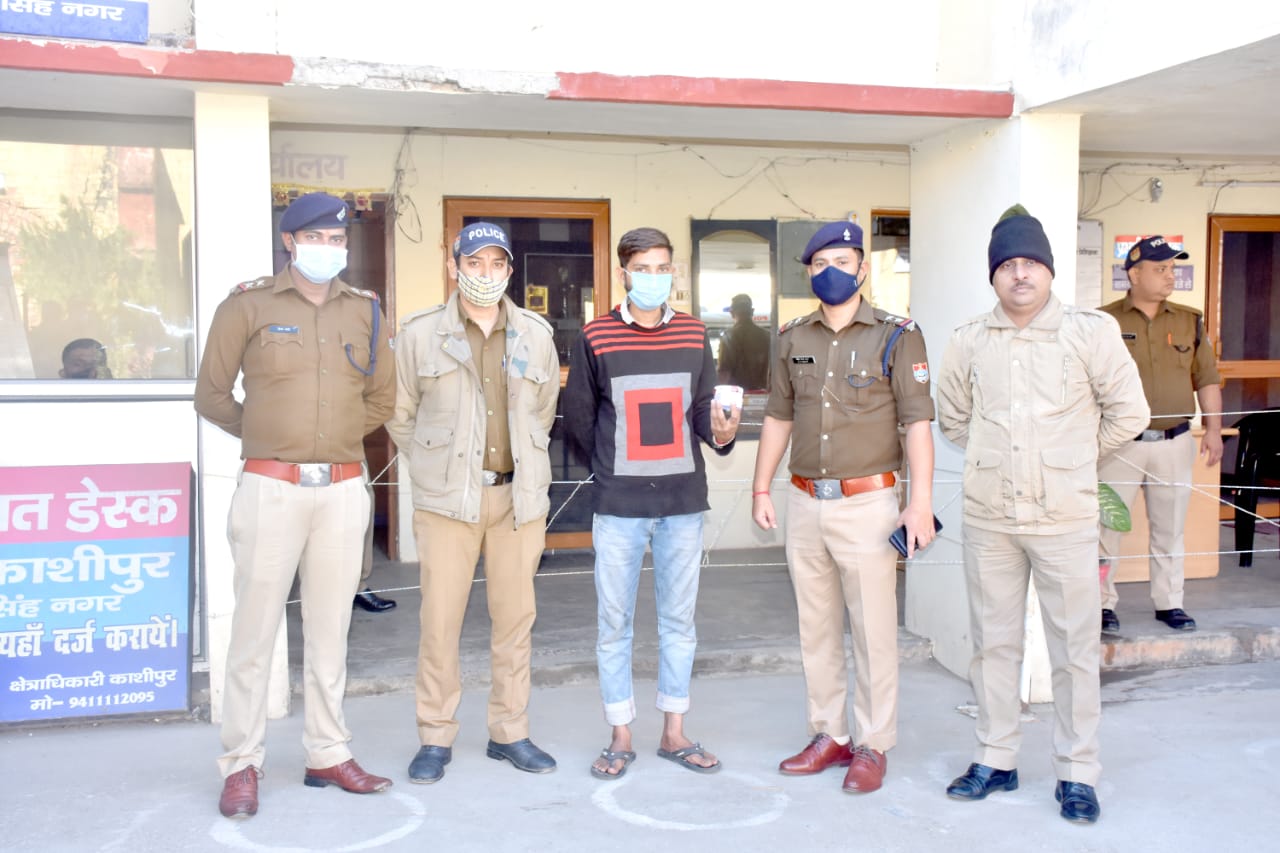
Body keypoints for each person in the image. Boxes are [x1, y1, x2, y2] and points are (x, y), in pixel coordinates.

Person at [936, 205, 1149, 825]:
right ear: (993, 276)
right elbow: (953, 418)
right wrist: (996, 457)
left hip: (1064, 519)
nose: (1020, 275)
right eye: (1007, 265)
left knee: (1074, 651)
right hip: (992, 519)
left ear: (1050, 271)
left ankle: (1077, 772)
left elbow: (1129, 413)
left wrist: (1072, 457)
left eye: (1031, 263)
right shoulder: (969, 339)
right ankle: (996, 758)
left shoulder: (1090, 332)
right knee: (992, 646)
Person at [194, 192, 397, 819]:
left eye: (337, 240)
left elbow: (382, 398)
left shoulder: (364, 310)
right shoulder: (247, 304)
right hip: (271, 487)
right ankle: (241, 763)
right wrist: (269, 436)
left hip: (341, 489)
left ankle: (328, 753)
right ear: (290, 242)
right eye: (315, 238)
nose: (328, 249)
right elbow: (212, 394)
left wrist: (331, 441)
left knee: (332, 629)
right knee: (254, 632)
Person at [750, 220, 936, 795]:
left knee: (873, 631)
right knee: (817, 629)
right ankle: (828, 734)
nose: (830, 271)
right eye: (819, 263)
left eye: (842, 261)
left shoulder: (897, 336)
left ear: (862, 269)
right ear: (808, 272)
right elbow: (779, 416)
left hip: (869, 504)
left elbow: (917, 423)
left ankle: (872, 744)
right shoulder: (791, 338)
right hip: (805, 501)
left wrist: (919, 503)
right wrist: (761, 488)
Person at [563, 226, 740, 780]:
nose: (654, 278)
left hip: (683, 504)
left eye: (663, 269)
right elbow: (580, 418)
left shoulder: (693, 333)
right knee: (613, 624)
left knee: (679, 622)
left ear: (673, 275)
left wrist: (722, 433)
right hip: (618, 506)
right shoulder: (596, 335)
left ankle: (674, 731)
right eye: (643, 268)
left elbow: (703, 411)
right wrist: (612, 474)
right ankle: (620, 734)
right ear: (624, 274)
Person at [387, 221, 560, 784]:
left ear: (510, 270)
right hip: (447, 505)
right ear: (453, 267)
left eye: (496, 264)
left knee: (516, 621)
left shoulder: (535, 334)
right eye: (474, 263)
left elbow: (543, 412)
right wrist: (437, 469)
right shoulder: (419, 335)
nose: (486, 274)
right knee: (440, 623)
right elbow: (400, 416)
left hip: (517, 501)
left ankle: (509, 731)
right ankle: (435, 735)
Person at [1097, 236, 1222, 634]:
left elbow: (1207, 378)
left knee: (1170, 529)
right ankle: (1101, 604)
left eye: (1172, 268)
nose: (1170, 276)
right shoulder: (1103, 322)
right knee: (1106, 527)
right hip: (1119, 445)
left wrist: (1214, 429)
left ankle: (1170, 603)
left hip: (1173, 441)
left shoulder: (1188, 320)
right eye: (1160, 269)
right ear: (1134, 274)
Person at [717, 293, 770, 390]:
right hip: (763, 394)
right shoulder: (767, 336)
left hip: (735, 394)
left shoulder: (728, 337)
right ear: (752, 311)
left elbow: (724, 372)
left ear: (732, 313)